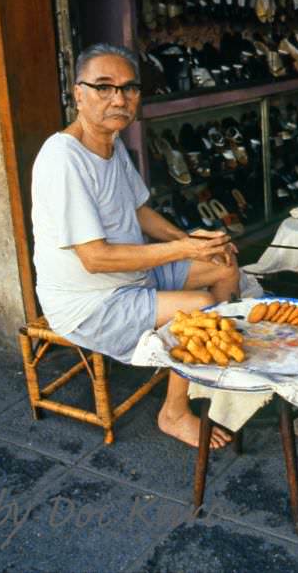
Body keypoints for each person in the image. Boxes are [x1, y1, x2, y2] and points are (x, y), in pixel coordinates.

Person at [31, 43, 237, 449]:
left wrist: (193, 242)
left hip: (132, 275)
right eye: (104, 87)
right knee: (197, 306)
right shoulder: (63, 159)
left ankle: (207, 364)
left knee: (225, 263)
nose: (119, 99)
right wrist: (183, 251)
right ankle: (173, 413)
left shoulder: (112, 142)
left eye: (129, 89)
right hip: (89, 303)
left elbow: (139, 211)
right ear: (78, 93)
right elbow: (95, 259)